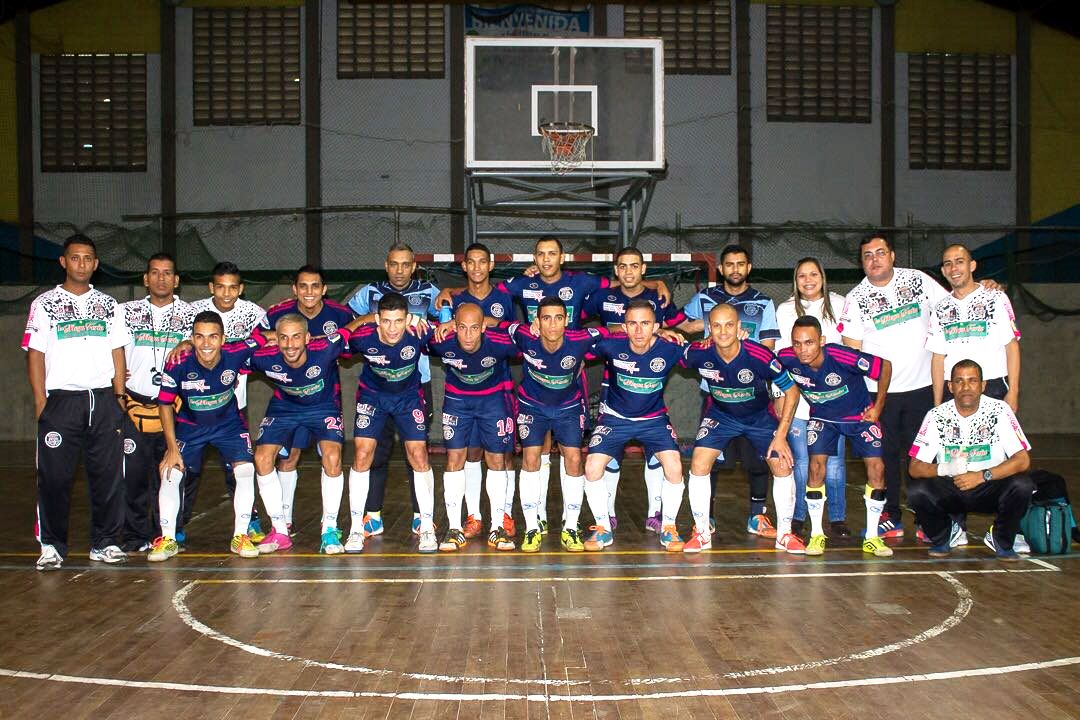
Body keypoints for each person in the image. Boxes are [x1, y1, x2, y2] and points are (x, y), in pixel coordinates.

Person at [24, 234, 131, 570]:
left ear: (95, 264)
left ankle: (106, 543)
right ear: (63, 262)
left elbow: (118, 351)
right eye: (75, 258)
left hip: (102, 400)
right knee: (54, 477)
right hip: (62, 402)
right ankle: (52, 545)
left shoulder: (110, 305)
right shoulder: (44, 304)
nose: (82, 264)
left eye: (88, 258)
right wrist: (41, 400)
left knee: (108, 476)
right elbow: (35, 353)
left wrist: (119, 396)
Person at [150, 311, 289, 561]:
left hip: (229, 425)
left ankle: (240, 535)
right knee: (170, 472)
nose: (206, 344)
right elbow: (164, 404)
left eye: (213, 337)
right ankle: (168, 539)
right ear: (191, 338)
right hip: (190, 425)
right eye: (199, 337)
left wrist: (299, 339)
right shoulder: (177, 361)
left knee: (245, 470)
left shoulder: (236, 352)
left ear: (223, 339)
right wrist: (172, 447)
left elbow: (270, 337)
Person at [837, 233, 950, 540]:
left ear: (892, 255)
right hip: (879, 394)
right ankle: (891, 516)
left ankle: (928, 518)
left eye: (880, 252)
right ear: (862, 263)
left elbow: (953, 304)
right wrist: (864, 401)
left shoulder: (918, 281)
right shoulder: (855, 299)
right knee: (885, 457)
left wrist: (985, 288)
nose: (874, 259)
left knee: (922, 457)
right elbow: (852, 355)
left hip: (923, 388)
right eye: (867, 256)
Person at [581, 246, 691, 534]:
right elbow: (573, 337)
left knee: (670, 464)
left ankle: (666, 522)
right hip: (614, 407)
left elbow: (700, 348)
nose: (639, 329)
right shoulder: (607, 329)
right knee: (600, 463)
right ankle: (604, 522)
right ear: (624, 326)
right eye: (633, 324)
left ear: (656, 324)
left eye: (646, 324)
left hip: (653, 417)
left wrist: (733, 338)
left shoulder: (668, 341)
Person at [680, 304, 801, 553]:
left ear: (739, 328)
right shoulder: (698, 353)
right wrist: (663, 333)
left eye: (729, 325)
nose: (723, 332)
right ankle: (702, 531)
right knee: (699, 463)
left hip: (759, 417)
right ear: (709, 329)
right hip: (721, 415)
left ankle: (785, 534)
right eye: (716, 326)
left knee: (782, 463)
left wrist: (780, 435)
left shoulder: (759, 355)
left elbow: (792, 390)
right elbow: (669, 351)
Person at [681, 244, 781, 540]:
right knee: (710, 458)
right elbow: (683, 325)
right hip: (715, 394)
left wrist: (745, 349)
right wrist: (705, 326)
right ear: (721, 269)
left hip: (752, 394)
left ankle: (757, 516)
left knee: (758, 460)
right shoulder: (705, 298)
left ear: (748, 268)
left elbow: (769, 348)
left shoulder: (763, 303)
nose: (735, 269)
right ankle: (706, 517)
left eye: (741, 264)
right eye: (729, 264)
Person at [778, 316, 894, 557]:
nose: (802, 349)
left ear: (821, 340)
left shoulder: (841, 355)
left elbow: (884, 366)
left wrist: (878, 406)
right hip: (823, 420)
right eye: (797, 343)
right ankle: (817, 534)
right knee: (815, 469)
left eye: (809, 342)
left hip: (858, 419)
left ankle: (872, 537)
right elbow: (760, 361)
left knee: (877, 469)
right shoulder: (787, 358)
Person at [346, 242, 439, 537]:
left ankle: (421, 516)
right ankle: (370, 513)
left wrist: (444, 301)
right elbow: (347, 323)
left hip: (415, 382)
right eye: (394, 264)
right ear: (386, 265)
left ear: (414, 266)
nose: (399, 270)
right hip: (377, 383)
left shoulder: (430, 292)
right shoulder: (369, 293)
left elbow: (447, 321)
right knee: (375, 450)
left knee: (417, 450)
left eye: (406, 264)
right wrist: (371, 320)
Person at [256, 266, 355, 535]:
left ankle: (330, 526)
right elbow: (252, 341)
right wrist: (273, 338)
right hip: (285, 400)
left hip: (324, 399)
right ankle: (282, 523)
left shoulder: (340, 314)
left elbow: (354, 334)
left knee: (331, 458)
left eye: (315, 286)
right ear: (294, 289)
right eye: (303, 286)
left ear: (324, 289)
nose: (309, 292)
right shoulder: (277, 313)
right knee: (287, 459)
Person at [907, 360, 1034, 561]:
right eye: (959, 381)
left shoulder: (999, 410)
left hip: (988, 484)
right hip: (952, 486)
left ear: (983, 385)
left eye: (972, 381)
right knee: (916, 490)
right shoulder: (936, 416)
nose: (966, 387)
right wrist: (945, 468)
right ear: (950, 386)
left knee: (1023, 485)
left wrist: (982, 476)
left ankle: (1001, 539)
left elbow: (1022, 460)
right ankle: (944, 536)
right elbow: (914, 467)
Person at [508, 297, 605, 552]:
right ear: (536, 321)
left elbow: (614, 333)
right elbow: (492, 326)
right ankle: (531, 528)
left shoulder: (581, 339)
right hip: (532, 405)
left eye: (558, 318)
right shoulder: (523, 335)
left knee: (573, 459)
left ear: (567, 321)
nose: (552, 324)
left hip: (568, 407)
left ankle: (570, 527)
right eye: (546, 318)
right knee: (530, 458)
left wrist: (658, 330)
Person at [118, 253, 196, 553]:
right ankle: (136, 535)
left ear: (176, 280)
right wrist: (115, 378)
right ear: (145, 278)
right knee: (134, 475)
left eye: (167, 273)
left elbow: (208, 345)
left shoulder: (191, 315)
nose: (161, 278)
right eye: (155, 273)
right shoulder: (125, 312)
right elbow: (110, 349)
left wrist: (188, 342)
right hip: (135, 404)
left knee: (174, 473)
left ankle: (168, 532)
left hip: (174, 406)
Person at [428, 304, 520, 552]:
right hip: (458, 402)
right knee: (455, 458)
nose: (468, 335)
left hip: (492, 402)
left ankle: (496, 527)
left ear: (483, 328)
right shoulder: (439, 341)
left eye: (474, 328)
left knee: (496, 459)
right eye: (462, 328)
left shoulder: (501, 343)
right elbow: (408, 331)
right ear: (454, 327)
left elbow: (526, 336)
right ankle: (455, 528)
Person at [188, 261, 267, 541]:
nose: (226, 293)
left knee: (239, 466)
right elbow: (181, 346)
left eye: (233, 287)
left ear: (241, 289)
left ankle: (250, 523)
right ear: (211, 287)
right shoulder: (193, 312)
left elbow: (266, 341)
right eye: (220, 287)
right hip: (194, 406)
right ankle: (174, 528)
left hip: (235, 404)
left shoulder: (255, 314)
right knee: (188, 468)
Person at [775, 257, 851, 538]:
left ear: (823, 276)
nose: (808, 280)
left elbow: (851, 350)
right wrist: (778, 395)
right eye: (802, 276)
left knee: (834, 464)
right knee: (802, 463)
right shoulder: (784, 310)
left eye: (813, 274)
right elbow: (779, 359)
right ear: (795, 280)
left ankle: (838, 518)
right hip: (799, 399)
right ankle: (798, 517)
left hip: (835, 400)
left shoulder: (841, 304)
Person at [447, 243, 515, 540]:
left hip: (498, 386)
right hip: (462, 392)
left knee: (502, 454)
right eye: (470, 262)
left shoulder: (504, 297)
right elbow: (444, 337)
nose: (476, 267)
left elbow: (512, 330)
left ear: (490, 265)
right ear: (464, 267)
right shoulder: (453, 299)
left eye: (481, 262)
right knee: (471, 453)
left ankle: (504, 515)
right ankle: (473, 515)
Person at [928, 243, 1021, 410]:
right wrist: (937, 404)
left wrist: (1013, 392)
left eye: (959, 261)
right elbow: (937, 358)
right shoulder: (940, 308)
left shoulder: (996, 298)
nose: (953, 268)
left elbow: (1012, 346)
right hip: (954, 389)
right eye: (948, 264)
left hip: (993, 386)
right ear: (943, 271)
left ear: (972, 265)